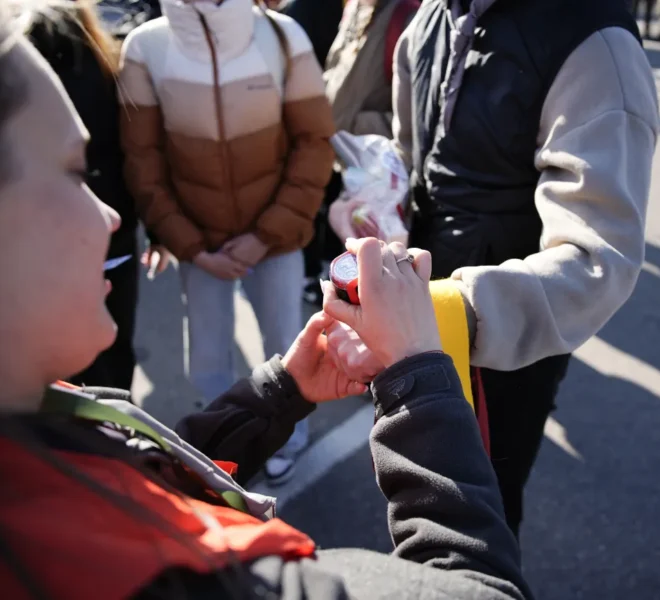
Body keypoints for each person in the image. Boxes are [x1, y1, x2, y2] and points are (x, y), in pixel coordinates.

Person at [0, 13, 533, 594]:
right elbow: (484, 590)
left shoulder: (41, 424)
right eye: (76, 172)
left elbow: (143, 468)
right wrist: (417, 372)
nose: (108, 214)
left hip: (271, 242)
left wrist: (280, 391)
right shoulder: (174, 575)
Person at [324, 0, 660, 537]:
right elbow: (412, 163)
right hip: (422, 313)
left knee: (480, 517)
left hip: (506, 343)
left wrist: (456, 313)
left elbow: (598, 259)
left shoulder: (593, 39)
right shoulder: (429, 19)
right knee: (418, 498)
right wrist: (372, 208)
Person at [118, 0, 335, 484]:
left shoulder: (283, 36)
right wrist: (191, 247)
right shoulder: (145, 47)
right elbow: (143, 161)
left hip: (275, 241)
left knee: (289, 347)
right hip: (201, 248)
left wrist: (265, 235)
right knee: (208, 359)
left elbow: (314, 143)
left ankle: (288, 438)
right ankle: (222, 448)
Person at [25, 3, 170, 391]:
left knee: (59, 364)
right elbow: (140, 155)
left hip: (49, 248)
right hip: (113, 240)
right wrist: (158, 230)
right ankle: (116, 418)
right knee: (114, 351)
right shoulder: (111, 61)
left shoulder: (20, 76)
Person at [302, 0, 419, 305]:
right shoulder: (356, 7)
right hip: (348, 163)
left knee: (382, 276)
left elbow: (418, 118)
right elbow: (335, 74)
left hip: (384, 172)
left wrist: (353, 126)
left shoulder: (408, 14)